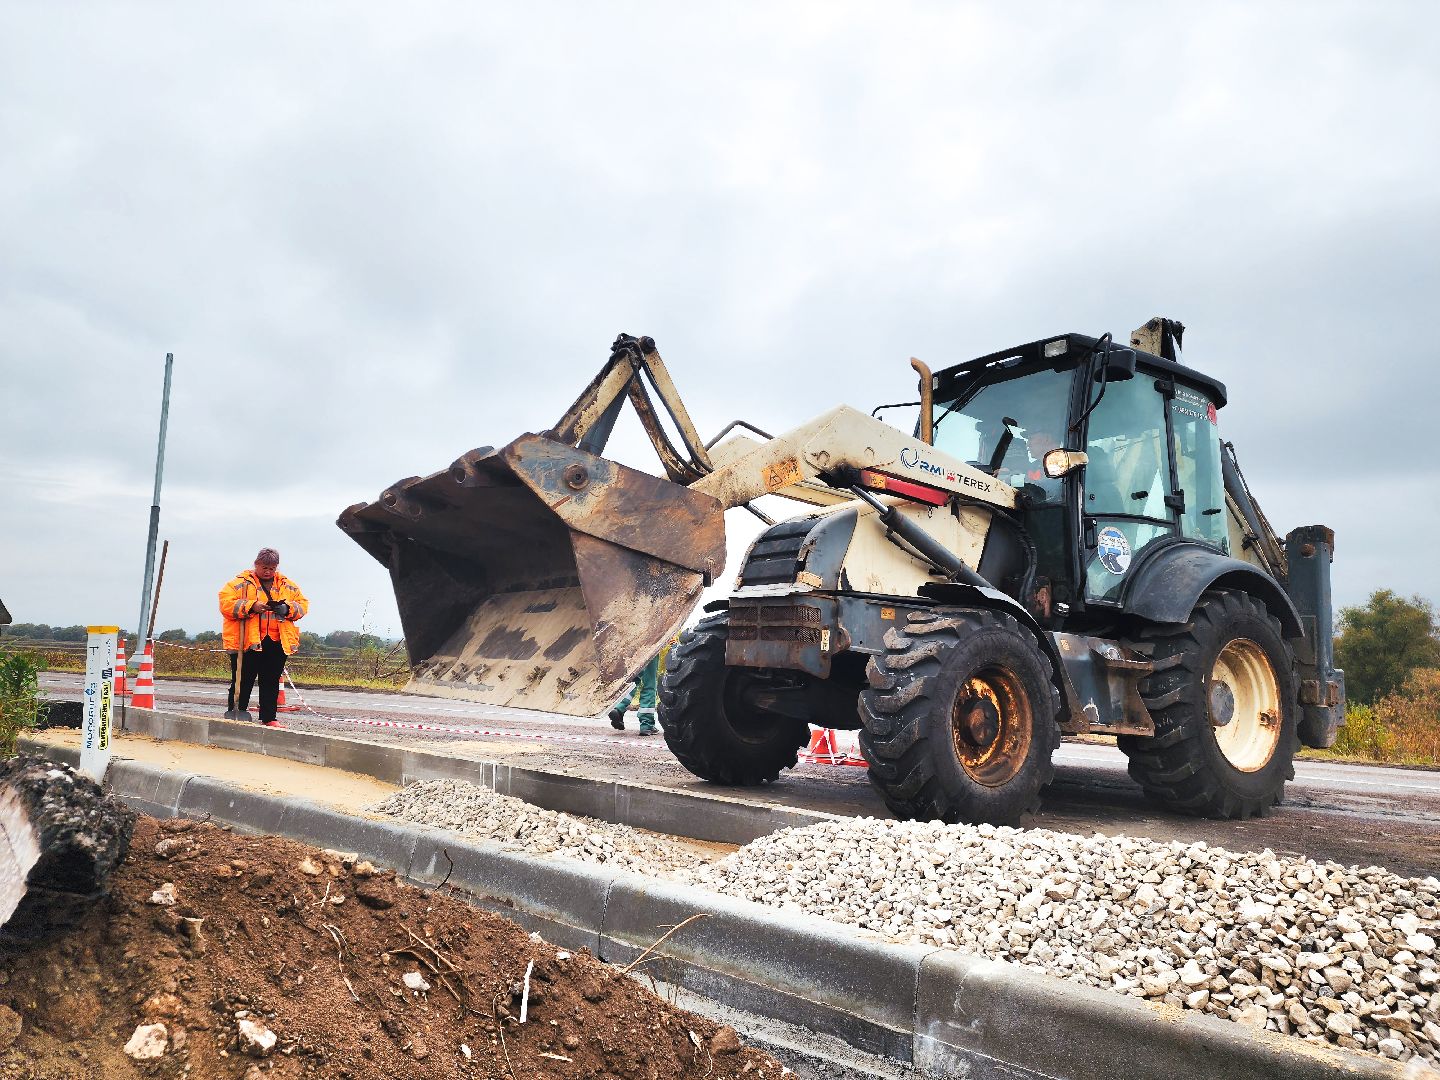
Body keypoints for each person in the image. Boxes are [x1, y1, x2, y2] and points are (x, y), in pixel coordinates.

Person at [218, 548, 309, 726]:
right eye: (264, 567)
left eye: (272, 568)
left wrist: (287, 608)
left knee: (271, 681)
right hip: (248, 642)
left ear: (276, 567)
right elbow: (225, 604)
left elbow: (302, 605)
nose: (268, 571)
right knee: (242, 680)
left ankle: (269, 718)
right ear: (256, 564)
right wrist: (251, 606)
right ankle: (238, 713)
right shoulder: (239, 583)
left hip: (277, 641)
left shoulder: (287, 585)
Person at [607, 636, 676, 736]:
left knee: (633, 679)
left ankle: (619, 708)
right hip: (653, 643)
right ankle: (646, 725)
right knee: (649, 684)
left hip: (635, 644)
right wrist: (673, 643)